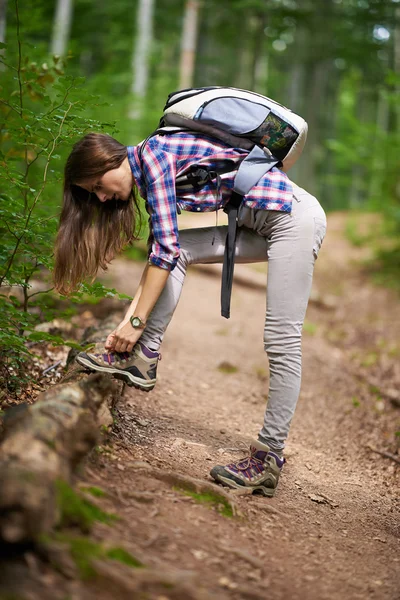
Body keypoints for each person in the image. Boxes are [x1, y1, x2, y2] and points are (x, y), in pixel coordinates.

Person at [54, 131, 327, 498]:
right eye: (94, 194)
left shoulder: (154, 157)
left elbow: (164, 251)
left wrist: (135, 324)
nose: (102, 197)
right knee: (179, 250)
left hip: (293, 219)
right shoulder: (149, 171)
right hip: (260, 222)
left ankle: (268, 458)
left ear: (108, 161)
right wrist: (129, 321)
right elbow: (162, 253)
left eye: (98, 185)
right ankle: (145, 359)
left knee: (281, 341)